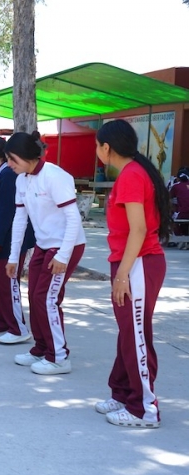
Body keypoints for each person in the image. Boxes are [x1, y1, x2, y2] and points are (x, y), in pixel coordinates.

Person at [93, 119, 170, 428]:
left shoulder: (131, 176)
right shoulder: (133, 172)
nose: (97, 151)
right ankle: (124, 393)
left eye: (97, 146)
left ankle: (144, 409)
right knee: (129, 333)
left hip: (138, 263)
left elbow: (138, 229)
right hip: (132, 263)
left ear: (107, 147)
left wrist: (123, 274)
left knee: (137, 335)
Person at [6, 132, 86, 375]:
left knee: (48, 298)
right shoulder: (22, 179)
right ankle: (42, 348)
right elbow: (20, 219)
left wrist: (63, 255)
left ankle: (59, 357)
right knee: (37, 297)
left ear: (27, 156)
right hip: (43, 244)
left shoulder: (55, 176)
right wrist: (13, 256)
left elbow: (73, 219)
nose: (9, 165)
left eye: (12, 159)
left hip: (65, 245)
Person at [0, 138, 34, 343]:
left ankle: (18, 329)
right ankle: (2, 323)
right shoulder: (1, 175)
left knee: (7, 284)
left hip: (10, 241)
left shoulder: (9, 176)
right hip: (2, 239)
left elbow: (6, 212)